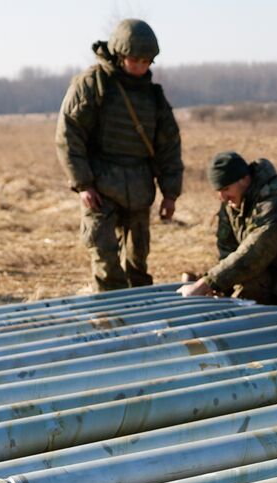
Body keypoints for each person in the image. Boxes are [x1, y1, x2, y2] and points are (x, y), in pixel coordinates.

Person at [56, 19, 183, 291]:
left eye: (146, 61)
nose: (140, 67)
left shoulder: (153, 96)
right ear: (119, 54)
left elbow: (169, 146)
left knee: (138, 265)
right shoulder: (92, 84)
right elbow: (69, 136)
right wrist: (83, 184)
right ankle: (109, 313)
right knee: (106, 261)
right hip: (100, 189)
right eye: (134, 60)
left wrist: (170, 193)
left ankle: (143, 312)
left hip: (139, 189)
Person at [177, 152, 277, 311]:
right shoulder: (231, 203)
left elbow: (257, 251)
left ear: (244, 179)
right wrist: (221, 288)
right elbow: (227, 251)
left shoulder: (276, 198)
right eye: (218, 190)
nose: (222, 197)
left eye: (226, 189)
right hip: (263, 282)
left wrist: (208, 283)